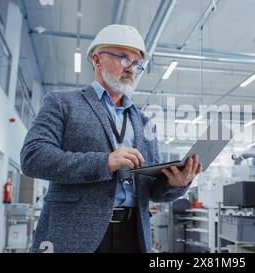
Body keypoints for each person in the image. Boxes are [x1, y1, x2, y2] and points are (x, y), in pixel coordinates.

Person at [20, 24, 202, 253]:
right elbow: (33, 157)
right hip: (76, 233)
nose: (131, 69)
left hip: (134, 233)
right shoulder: (62, 103)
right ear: (97, 60)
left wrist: (176, 183)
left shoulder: (145, 123)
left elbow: (153, 190)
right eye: (124, 59)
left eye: (137, 64)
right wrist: (104, 162)